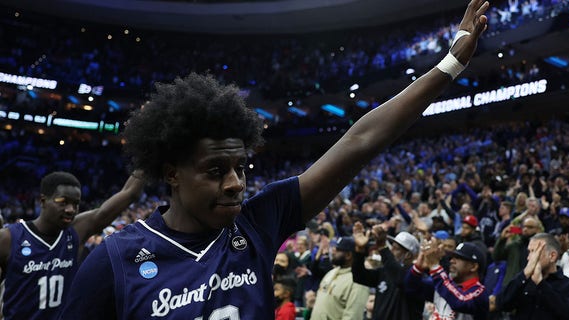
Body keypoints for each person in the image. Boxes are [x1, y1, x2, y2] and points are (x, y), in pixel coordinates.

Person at [61, 1, 490, 318]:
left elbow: (360, 141)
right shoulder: (115, 259)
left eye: (239, 168)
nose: (234, 183)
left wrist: (450, 65)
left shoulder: (258, 222)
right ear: (172, 173)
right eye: (215, 171)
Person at [0, 171, 144, 320]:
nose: (70, 209)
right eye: (63, 202)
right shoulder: (8, 238)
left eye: (75, 204)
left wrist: (148, 158)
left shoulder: (76, 232)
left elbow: (130, 193)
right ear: (42, 201)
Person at [496, 233, 569, 319]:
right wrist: (524, 274)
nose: (528, 258)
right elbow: (501, 304)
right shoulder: (523, 281)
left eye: (534, 252)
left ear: (552, 256)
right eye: (529, 252)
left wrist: (541, 284)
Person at [352, 222, 423, 319]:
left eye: (396, 249)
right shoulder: (385, 271)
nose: (391, 251)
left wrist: (382, 247)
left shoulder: (416, 276)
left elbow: (400, 279)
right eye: (392, 247)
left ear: (408, 255)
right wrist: (359, 250)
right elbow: (359, 276)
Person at [406, 240, 489, 319]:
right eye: (452, 257)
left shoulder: (480, 292)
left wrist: (435, 267)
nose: (452, 261)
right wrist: (418, 268)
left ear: (473, 267)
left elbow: (460, 302)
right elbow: (411, 288)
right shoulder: (444, 285)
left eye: (458, 258)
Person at [310, 237, 369, 320]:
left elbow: (352, 316)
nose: (333, 252)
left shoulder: (358, 280)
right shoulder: (331, 273)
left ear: (348, 255)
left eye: (338, 250)